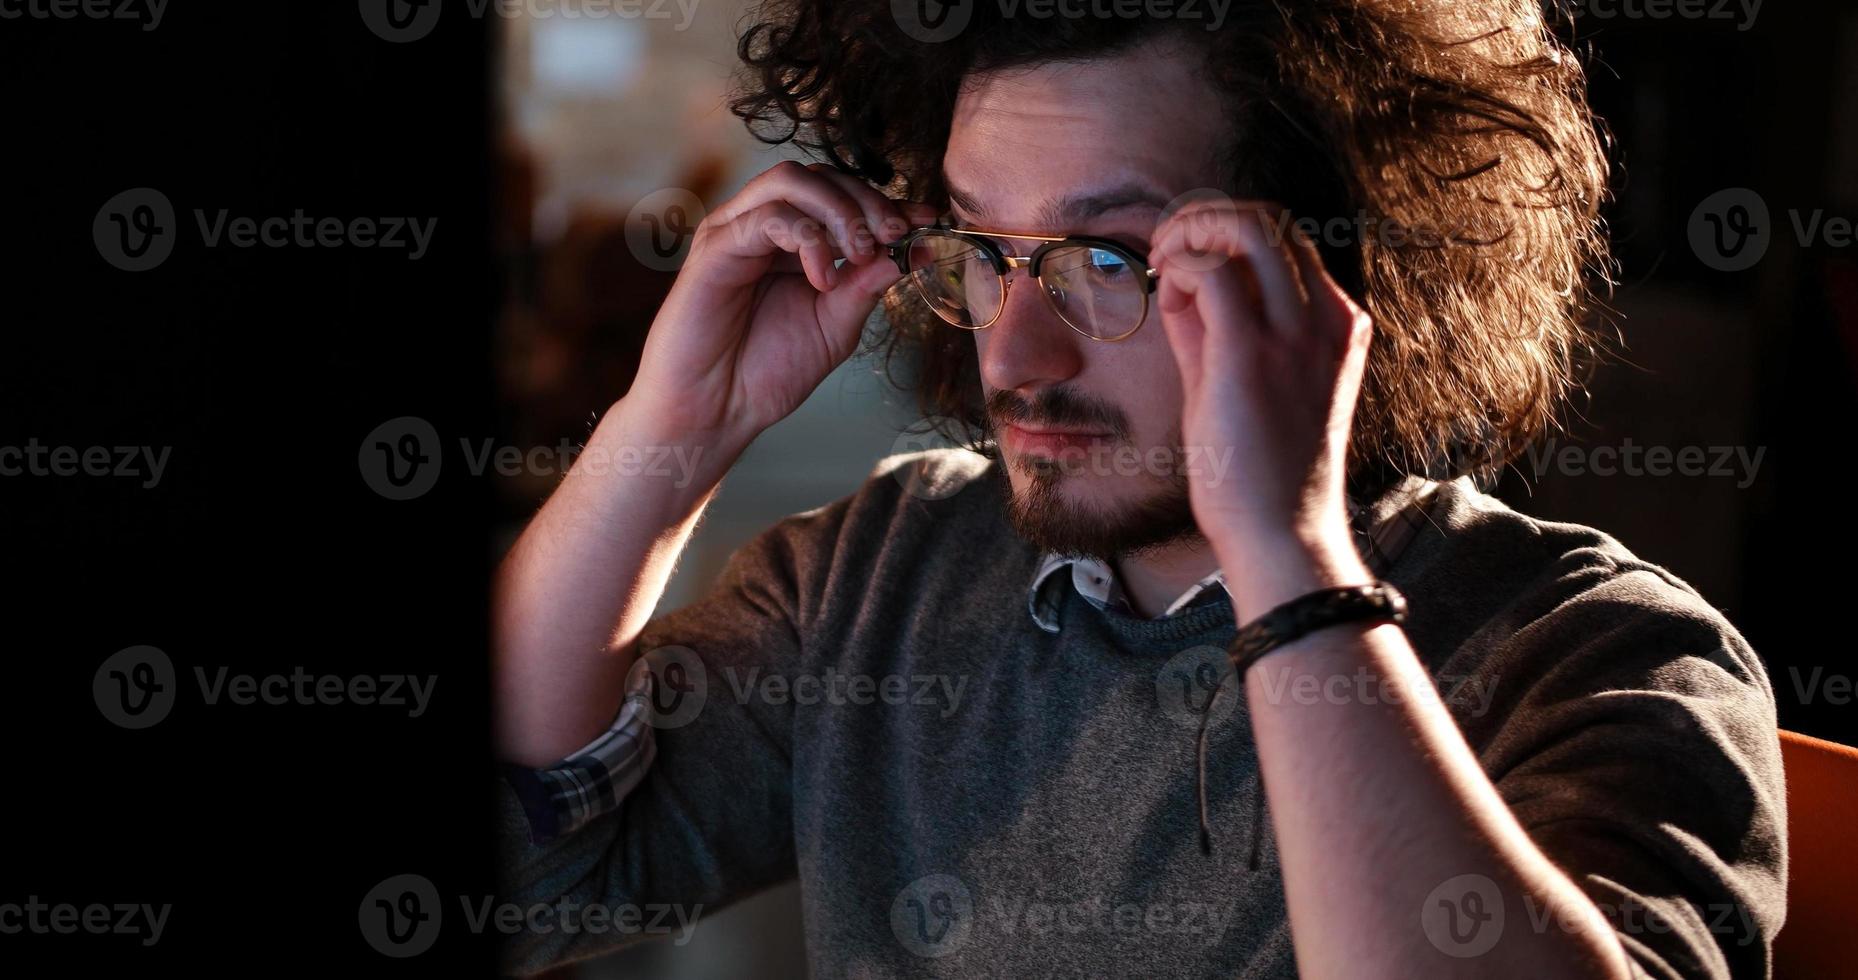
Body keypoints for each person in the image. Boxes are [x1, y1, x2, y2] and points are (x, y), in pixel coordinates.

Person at [491, 2, 1786, 976]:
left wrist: (1287, 562)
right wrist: (672, 431)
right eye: (988, 250)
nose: (1016, 351)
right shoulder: (880, 577)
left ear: (1344, 269)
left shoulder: (1603, 653)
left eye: (1106, 258)